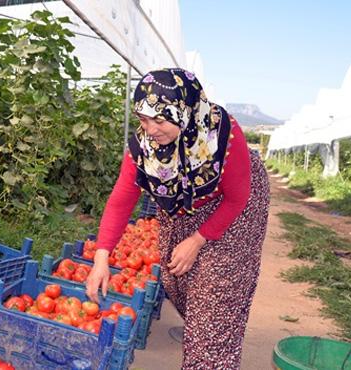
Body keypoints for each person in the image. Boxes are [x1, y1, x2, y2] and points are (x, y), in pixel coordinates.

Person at [85, 68, 270, 369]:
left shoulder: (222, 136)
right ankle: (206, 328)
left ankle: (212, 348)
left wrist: (198, 240)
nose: (151, 128)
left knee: (217, 296)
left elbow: (238, 198)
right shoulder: (144, 146)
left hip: (234, 207)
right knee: (178, 282)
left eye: (160, 119)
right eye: (144, 119)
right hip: (181, 206)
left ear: (184, 111)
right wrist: (101, 257)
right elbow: (121, 199)